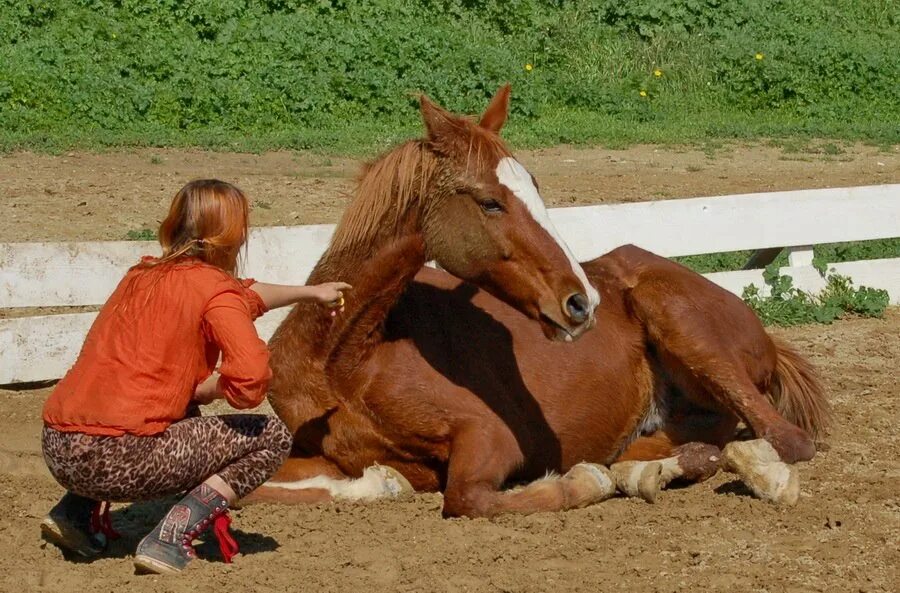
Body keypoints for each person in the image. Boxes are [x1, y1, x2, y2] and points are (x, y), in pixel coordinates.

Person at [39, 179, 349, 574]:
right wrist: (212, 387)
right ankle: (170, 536)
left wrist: (311, 292)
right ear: (232, 236)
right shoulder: (214, 289)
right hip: (119, 457)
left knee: (146, 404)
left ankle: (73, 514)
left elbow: (242, 295)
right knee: (271, 438)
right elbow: (252, 377)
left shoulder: (141, 274)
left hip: (59, 448)